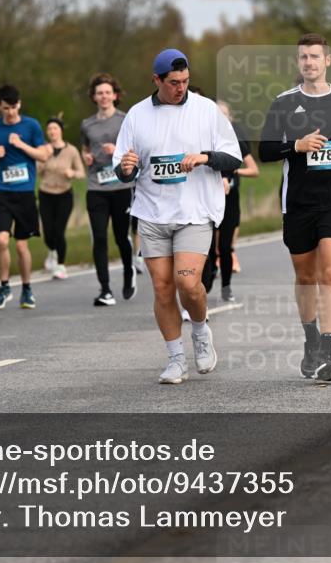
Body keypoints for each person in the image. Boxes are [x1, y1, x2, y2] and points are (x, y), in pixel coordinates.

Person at [113, 49, 242, 384]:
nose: (180, 88)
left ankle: (200, 331)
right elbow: (124, 168)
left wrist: (204, 157)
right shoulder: (137, 115)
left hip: (194, 212)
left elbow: (234, 157)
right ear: (156, 80)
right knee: (162, 288)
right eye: (173, 82)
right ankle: (176, 360)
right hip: (152, 213)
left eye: (185, 81)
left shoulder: (206, 110)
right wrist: (126, 168)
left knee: (187, 283)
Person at [259, 33, 331, 382]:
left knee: (329, 273)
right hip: (297, 201)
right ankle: (310, 340)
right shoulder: (284, 102)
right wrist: (297, 145)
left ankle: (327, 352)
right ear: (298, 62)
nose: (308, 62)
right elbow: (265, 150)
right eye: (303, 57)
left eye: (314, 56)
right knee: (306, 277)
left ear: (327, 60)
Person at [0, 84, 50, 309]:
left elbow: (43, 155)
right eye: (5, 108)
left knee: (21, 246)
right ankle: (4, 287)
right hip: (3, 192)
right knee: (1, 240)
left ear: (19, 104)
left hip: (25, 193)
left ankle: (27, 289)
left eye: (13, 107)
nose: (10, 112)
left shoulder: (31, 125)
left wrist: (20, 144)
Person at [81, 73, 136, 306]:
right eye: (99, 93)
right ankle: (105, 289)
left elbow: (136, 150)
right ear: (94, 97)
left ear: (115, 95)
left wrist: (117, 151)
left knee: (121, 237)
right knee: (99, 237)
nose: (103, 96)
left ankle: (129, 271)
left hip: (122, 185)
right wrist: (86, 157)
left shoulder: (126, 120)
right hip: (96, 186)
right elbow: (86, 148)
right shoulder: (87, 124)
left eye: (107, 92)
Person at [204, 100, 259, 302]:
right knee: (208, 248)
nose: (220, 118)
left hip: (230, 202)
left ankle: (226, 287)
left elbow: (254, 170)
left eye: (223, 114)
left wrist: (235, 172)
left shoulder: (237, 143)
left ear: (230, 118)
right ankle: (206, 283)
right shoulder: (204, 142)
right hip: (207, 202)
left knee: (225, 248)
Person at [37, 115, 85, 280]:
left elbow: (81, 172)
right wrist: (44, 158)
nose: (52, 131)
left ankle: (61, 265)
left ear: (61, 131)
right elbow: (37, 172)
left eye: (55, 128)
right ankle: (52, 251)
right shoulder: (43, 149)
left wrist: (72, 173)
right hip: (45, 194)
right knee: (48, 232)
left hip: (64, 195)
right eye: (49, 129)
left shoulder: (71, 151)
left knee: (59, 231)